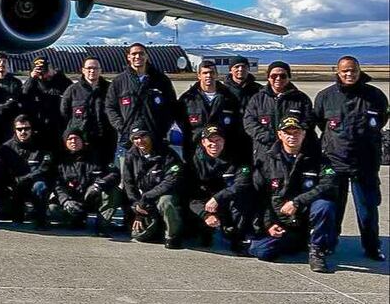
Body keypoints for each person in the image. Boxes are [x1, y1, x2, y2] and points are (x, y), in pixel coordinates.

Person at [313, 56, 388, 261]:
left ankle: (372, 247)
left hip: (365, 163)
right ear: (338, 72)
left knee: (368, 209)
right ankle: (328, 244)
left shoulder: (375, 96)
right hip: (334, 161)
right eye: (345, 71)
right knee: (333, 207)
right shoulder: (326, 96)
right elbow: (320, 123)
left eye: (353, 70)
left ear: (359, 71)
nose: (349, 74)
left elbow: (380, 121)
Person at [250, 116, 338, 273]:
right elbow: (260, 197)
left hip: (305, 215)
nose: (292, 136)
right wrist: (269, 224)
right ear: (280, 135)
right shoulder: (267, 160)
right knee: (261, 251)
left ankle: (316, 251)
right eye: (287, 133)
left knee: (325, 205)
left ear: (304, 134)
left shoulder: (318, 159)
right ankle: (296, 241)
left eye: (296, 132)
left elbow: (329, 184)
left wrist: (297, 202)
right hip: (280, 219)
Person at [105, 43, 177, 166]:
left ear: (147, 56)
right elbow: (110, 107)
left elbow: (172, 106)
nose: (137, 56)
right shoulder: (119, 82)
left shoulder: (161, 80)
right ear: (128, 57)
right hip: (129, 139)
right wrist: (121, 126)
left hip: (156, 137)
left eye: (141, 53)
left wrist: (163, 127)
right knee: (130, 174)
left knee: (156, 173)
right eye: (134, 54)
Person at [184, 125, 253, 253]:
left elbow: (243, 184)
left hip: (226, 201)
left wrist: (217, 198)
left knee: (243, 198)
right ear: (203, 142)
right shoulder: (194, 161)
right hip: (204, 203)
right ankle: (202, 231)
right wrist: (205, 215)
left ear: (224, 141)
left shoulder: (237, 157)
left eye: (218, 140)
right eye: (210, 141)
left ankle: (237, 236)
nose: (214, 144)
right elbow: (191, 194)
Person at [49, 127, 120, 236]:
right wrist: (65, 200)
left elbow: (114, 174)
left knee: (114, 191)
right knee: (53, 208)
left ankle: (103, 225)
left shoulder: (97, 156)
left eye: (76, 138)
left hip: (92, 198)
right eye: (70, 139)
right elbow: (57, 185)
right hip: (73, 201)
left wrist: (98, 185)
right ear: (65, 142)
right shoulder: (60, 161)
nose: (73, 141)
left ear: (83, 140)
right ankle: (75, 219)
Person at [122, 127, 184, 249]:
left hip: (164, 195)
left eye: (143, 136)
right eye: (135, 138)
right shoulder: (131, 155)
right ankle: (157, 227)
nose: (140, 141)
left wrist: (146, 198)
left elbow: (170, 182)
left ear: (150, 137)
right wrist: (136, 207)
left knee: (166, 202)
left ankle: (172, 236)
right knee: (138, 235)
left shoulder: (168, 154)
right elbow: (128, 183)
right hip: (144, 201)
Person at [244, 61, 315, 161]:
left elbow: (308, 122)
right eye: (274, 76)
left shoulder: (301, 98)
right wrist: (269, 137)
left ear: (288, 77)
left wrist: (288, 138)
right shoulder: (257, 99)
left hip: (293, 150)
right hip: (265, 150)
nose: (278, 79)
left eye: (283, 76)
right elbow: (249, 122)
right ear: (268, 78)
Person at [176, 60, 245, 160]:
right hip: (195, 153)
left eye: (211, 72)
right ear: (199, 75)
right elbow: (181, 125)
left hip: (224, 154)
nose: (208, 75)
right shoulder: (187, 99)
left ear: (216, 75)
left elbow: (237, 126)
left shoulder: (230, 98)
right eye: (205, 73)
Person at [0, 114, 53, 228]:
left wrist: (27, 178)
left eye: (26, 129)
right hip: (14, 184)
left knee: (40, 186)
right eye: (19, 129)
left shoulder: (41, 145)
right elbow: (1, 170)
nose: (23, 132)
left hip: (34, 181)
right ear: (15, 130)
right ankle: (15, 214)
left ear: (31, 129)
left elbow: (45, 168)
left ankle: (41, 220)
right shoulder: (6, 148)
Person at [60, 56, 116, 166]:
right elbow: (64, 114)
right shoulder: (72, 90)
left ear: (100, 70)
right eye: (89, 68)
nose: (92, 71)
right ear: (83, 70)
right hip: (82, 142)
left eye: (95, 68)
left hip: (106, 140)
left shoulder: (110, 89)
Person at [20, 57, 72, 148]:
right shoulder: (32, 84)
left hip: (58, 127)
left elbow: (71, 91)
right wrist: (32, 79)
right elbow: (23, 96)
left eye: (44, 69)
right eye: (39, 70)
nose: (42, 73)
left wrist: (57, 75)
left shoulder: (60, 81)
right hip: (38, 127)